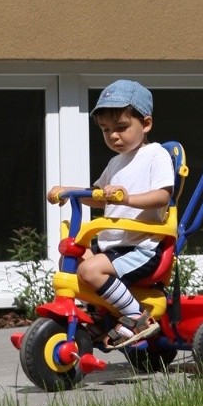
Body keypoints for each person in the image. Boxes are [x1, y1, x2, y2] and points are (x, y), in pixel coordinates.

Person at [47, 79, 175, 349]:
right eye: (106, 130)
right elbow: (97, 195)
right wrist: (66, 190)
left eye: (121, 128)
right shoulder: (115, 162)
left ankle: (135, 316)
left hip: (142, 247)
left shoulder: (156, 155)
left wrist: (128, 198)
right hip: (115, 247)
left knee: (90, 269)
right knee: (71, 259)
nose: (113, 136)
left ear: (146, 124)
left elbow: (163, 196)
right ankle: (99, 315)